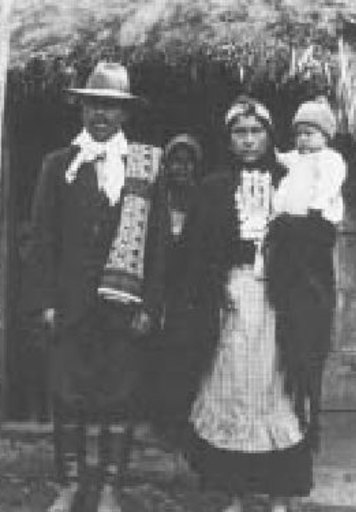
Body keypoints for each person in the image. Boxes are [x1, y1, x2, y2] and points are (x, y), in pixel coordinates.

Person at [21, 61, 168, 512]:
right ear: (81, 109)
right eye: (92, 105)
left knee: (118, 394)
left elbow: (158, 242)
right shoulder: (58, 165)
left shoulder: (145, 166)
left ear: (125, 114)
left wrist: (151, 303)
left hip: (124, 305)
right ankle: (68, 485)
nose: (100, 115)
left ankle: (109, 488)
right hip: (70, 303)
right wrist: (43, 300)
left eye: (110, 106)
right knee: (67, 394)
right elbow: (41, 237)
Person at [181, 95, 339, 512]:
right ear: (229, 138)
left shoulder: (295, 178)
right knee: (232, 389)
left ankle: (279, 496)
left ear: (270, 136)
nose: (248, 140)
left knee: (280, 393)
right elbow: (195, 254)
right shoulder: (213, 187)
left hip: (280, 306)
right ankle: (234, 492)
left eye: (256, 132)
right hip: (230, 305)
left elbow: (321, 241)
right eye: (239, 132)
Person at [147, 134, 204, 442]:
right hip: (157, 286)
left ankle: (180, 422)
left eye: (187, 162)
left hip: (186, 291)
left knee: (182, 356)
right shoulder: (155, 199)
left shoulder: (200, 200)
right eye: (174, 162)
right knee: (156, 354)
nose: (180, 169)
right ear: (165, 166)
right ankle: (158, 420)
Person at [274, 97, 346, 223]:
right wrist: (275, 155)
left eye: (308, 134)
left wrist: (317, 206)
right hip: (295, 212)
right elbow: (283, 159)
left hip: (320, 215)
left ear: (325, 137)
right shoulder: (297, 156)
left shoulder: (330, 158)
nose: (302, 138)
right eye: (298, 134)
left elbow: (330, 184)